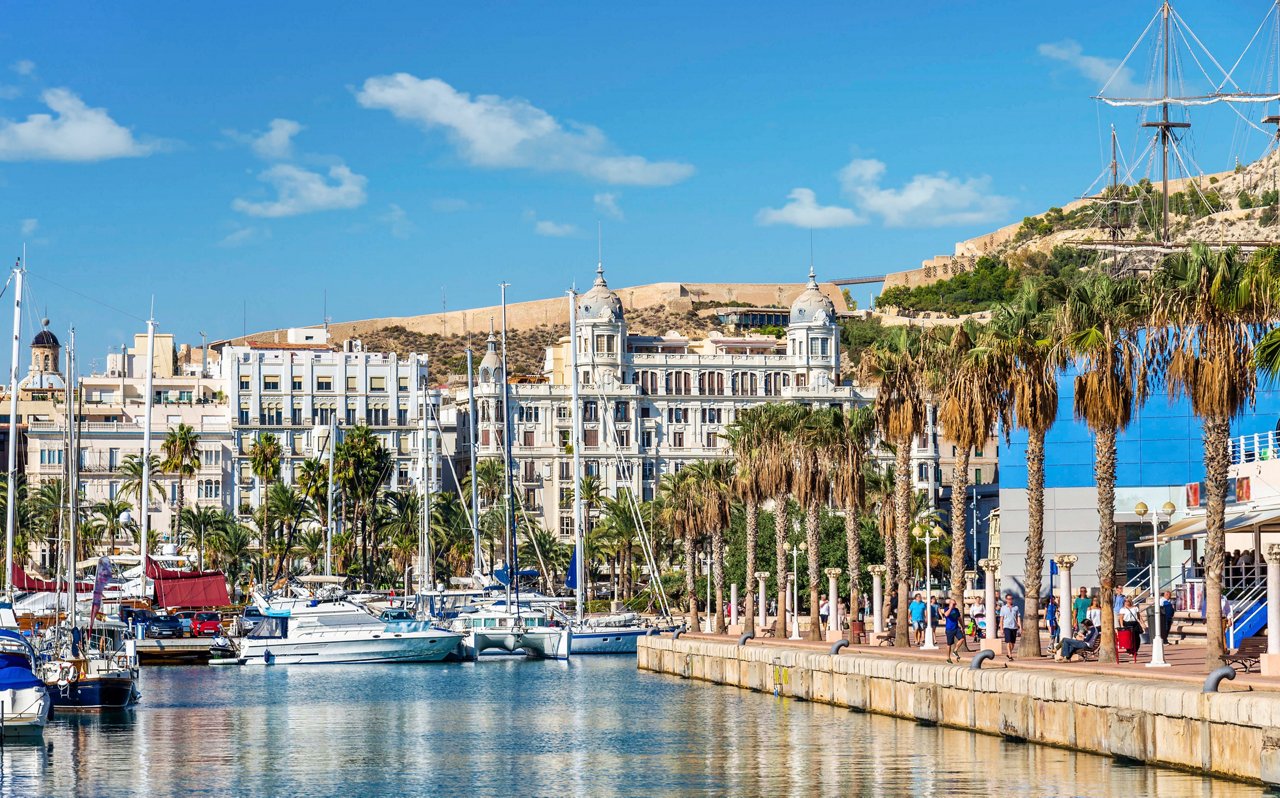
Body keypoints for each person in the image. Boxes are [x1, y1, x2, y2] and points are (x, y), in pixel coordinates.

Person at [999, 593, 1022, 661]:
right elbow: (1001, 619)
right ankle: (1010, 655)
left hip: (1014, 627)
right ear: (1006, 600)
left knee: (1013, 642)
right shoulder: (1003, 608)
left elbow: (1018, 617)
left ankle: (1010, 652)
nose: (1010, 600)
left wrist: (1020, 627)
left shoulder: (1016, 608)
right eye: (1008, 599)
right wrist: (1001, 628)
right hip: (1007, 626)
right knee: (1008, 641)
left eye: (1011, 599)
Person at [943, 598, 964, 663]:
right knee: (949, 644)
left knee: (962, 639)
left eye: (955, 604)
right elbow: (946, 615)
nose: (955, 605)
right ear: (950, 604)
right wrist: (951, 608)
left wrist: (962, 626)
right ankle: (948, 658)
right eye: (953, 604)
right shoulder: (946, 609)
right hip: (949, 629)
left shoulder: (956, 610)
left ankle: (955, 650)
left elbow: (959, 618)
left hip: (956, 628)